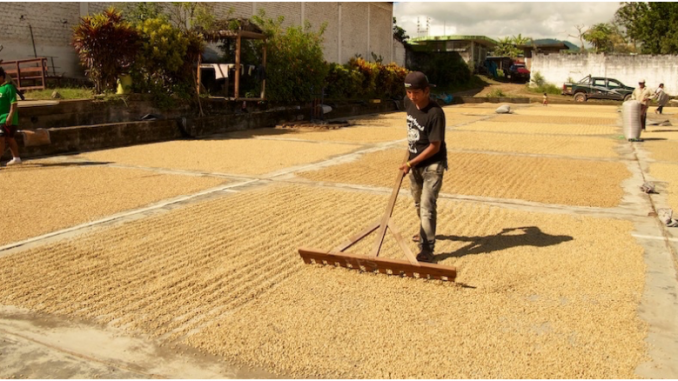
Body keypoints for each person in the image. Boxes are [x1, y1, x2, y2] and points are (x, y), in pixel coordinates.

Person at [398, 71, 447, 263]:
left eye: (416, 93)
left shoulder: (435, 113)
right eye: (409, 92)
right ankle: (424, 231)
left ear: (427, 91)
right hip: (414, 163)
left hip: (432, 164)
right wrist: (411, 158)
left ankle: (426, 249)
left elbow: (435, 146)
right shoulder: (408, 102)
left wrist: (412, 162)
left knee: (427, 206)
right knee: (418, 203)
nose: (412, 97)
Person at [0, 67, 22, 166]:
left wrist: (10, 116)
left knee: (1, 138)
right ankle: (16, 158)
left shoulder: (9, 87)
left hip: (7, 119)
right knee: (9, 138)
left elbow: (14, 104)